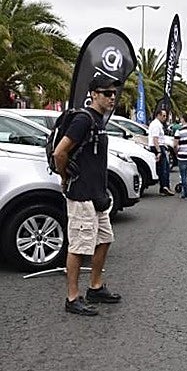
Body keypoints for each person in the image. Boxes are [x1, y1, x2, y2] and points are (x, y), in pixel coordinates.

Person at [53, 74, 122, 316]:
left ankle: (95, 287)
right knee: (79, 247)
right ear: (93, 94)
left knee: (104, 239)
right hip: (81, 194)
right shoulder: (83, 119)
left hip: (97, 195)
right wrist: (65, 177)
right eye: (106, 93)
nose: (112, 97)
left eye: (114, 93)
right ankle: (72, 298)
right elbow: (59, 152)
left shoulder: (99, 120)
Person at [149, 108, 174, 196]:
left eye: (166, 116)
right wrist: (159, 151)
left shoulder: (157, 124)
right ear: (158, 115)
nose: (165, 117)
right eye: (163, 116)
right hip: (158, 147)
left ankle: (164, 187)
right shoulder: (156, 125)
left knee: (165, 168)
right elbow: (155, 138)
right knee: (163, 169)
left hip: (160, 146)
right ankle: (164, 187)